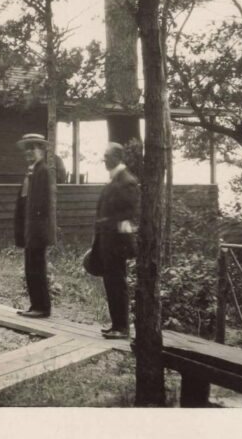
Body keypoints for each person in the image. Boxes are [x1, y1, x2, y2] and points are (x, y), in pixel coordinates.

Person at [90, 142, 140, 339]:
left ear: (118, 158)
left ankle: (122, 327)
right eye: (104, 155)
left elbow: (129, 212)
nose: (104, 159)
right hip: (107, 241)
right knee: (110, 283)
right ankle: (116, 324)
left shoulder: (127, 181)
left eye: (108, 155)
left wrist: (108, 223)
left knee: (117, 284)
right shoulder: (113, 181)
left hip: (117, 243)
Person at [13, 133, 57, 319]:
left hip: (37, 229)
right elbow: (25, 201)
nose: (29, 152)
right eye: (27, 148)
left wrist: (38, 229)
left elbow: (44, 204)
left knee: (37, 266)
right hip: (29, 228)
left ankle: (42, 307)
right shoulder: (31, 172)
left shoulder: (43, 171)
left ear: (42, 150)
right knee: (30, 266)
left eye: (34, 148)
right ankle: (35, 305)